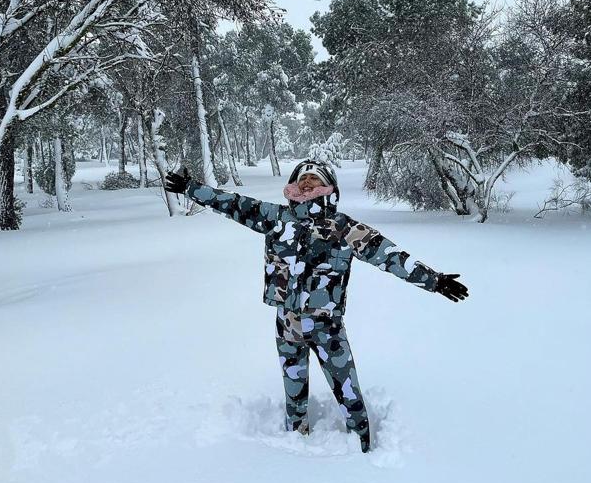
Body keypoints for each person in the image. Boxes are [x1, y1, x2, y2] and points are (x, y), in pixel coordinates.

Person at [165, 158, 468, 453]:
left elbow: (389, 256)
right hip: (287, 325)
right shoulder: (276, 217)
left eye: (315, 178)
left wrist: (434, 280)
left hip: (328, 329)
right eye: (302, 177)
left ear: (328, 187)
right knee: (294, 396)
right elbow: (232, 203)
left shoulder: (343, 228)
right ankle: (295, 448)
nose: (307, 181)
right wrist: (191, 188)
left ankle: (364, 448)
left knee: (348, 393)